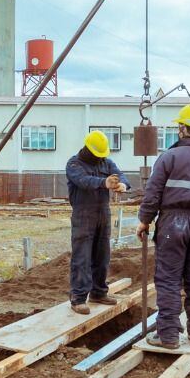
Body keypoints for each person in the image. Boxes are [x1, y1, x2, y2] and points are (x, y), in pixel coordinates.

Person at [136, 103, 190, 349]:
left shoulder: (169, 157)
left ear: (183, 128)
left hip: (174, 222)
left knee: (169, 279)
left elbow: (153, 193)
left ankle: (169, 335)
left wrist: (144, 220)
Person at [65, 130, 131, 314]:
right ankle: (78, 298)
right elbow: (83, 181)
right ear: (88, 149)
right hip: (83, 215)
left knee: (102, 257)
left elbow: (121, 175)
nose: (100, 158)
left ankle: (98, 293)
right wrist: (104, 183)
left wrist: (122, 184)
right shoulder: (74, 164)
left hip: (103, 213)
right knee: (82, 257)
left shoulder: (106, 162)